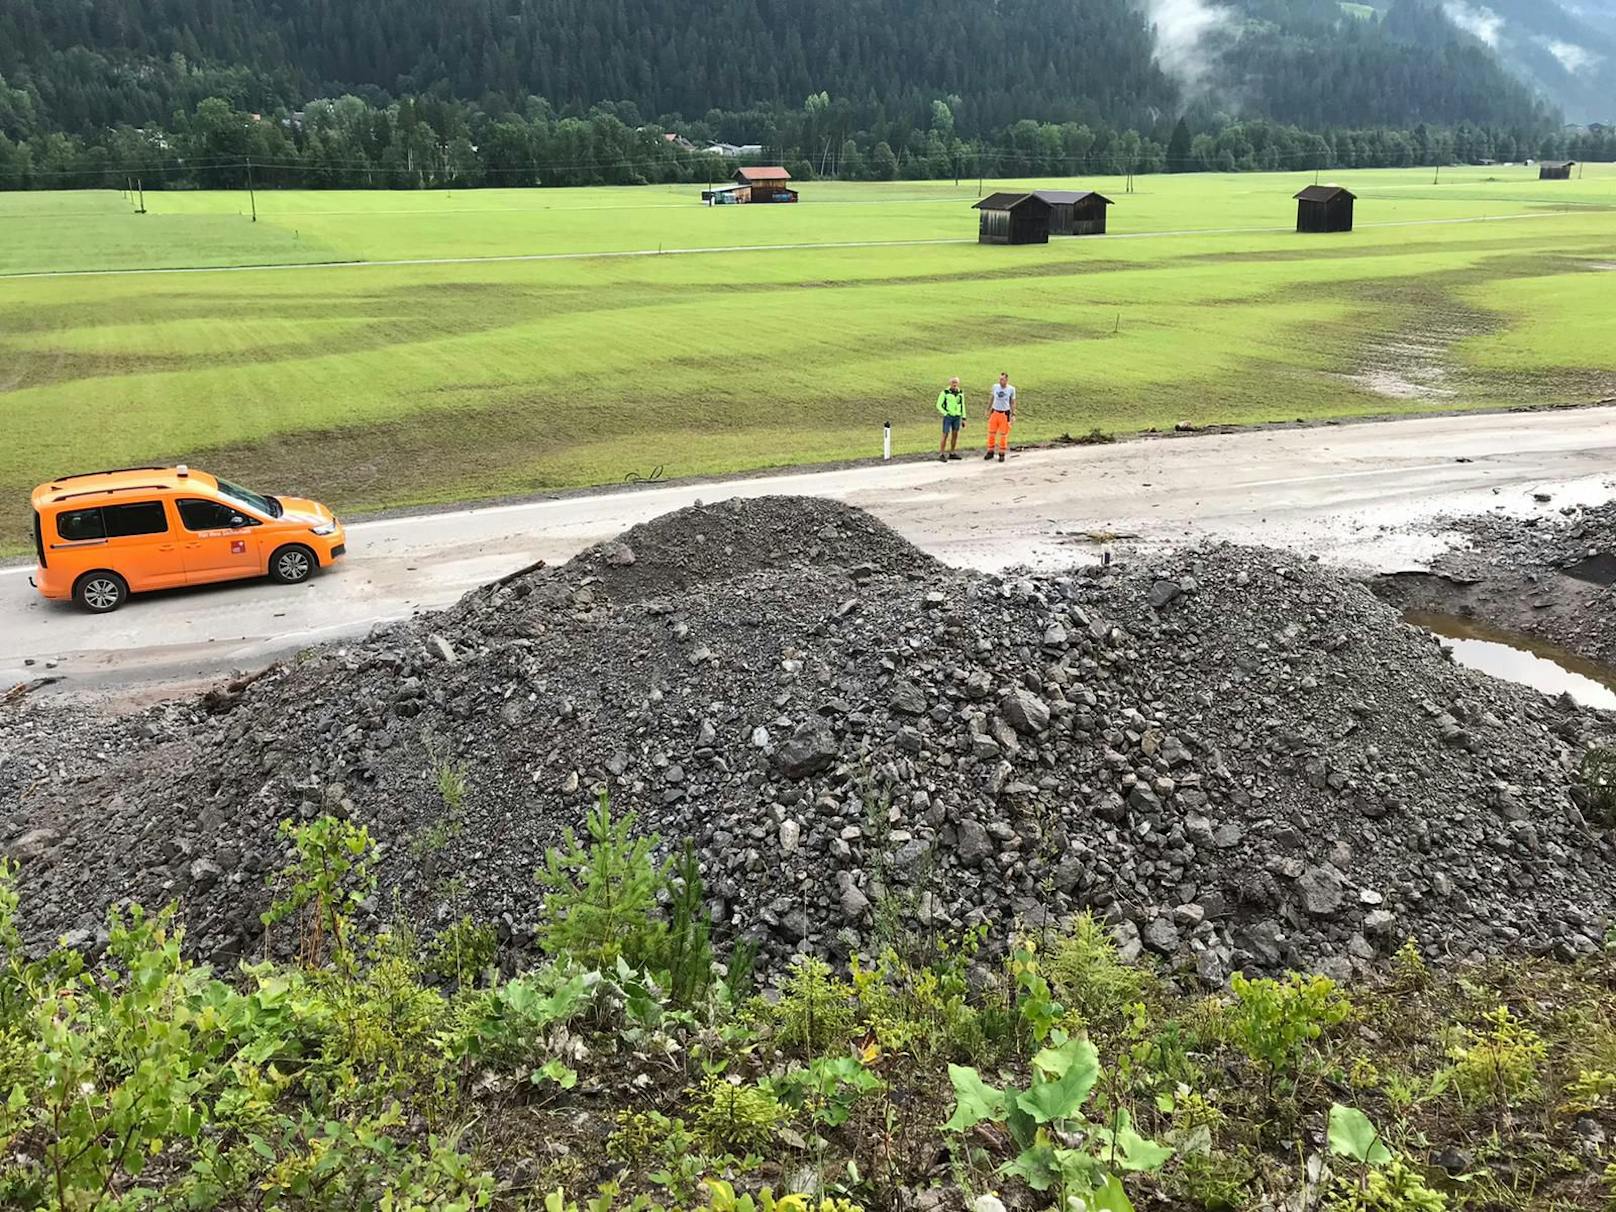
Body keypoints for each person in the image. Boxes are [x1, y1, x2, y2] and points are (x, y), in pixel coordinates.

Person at [985, 371, 1016, 462]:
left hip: (1004, 413)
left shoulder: (1011, 389)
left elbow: (1012, 402)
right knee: (991, 432)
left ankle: (1001, 453)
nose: (1000, 381)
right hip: (995, 412)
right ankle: (990, 451)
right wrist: (988, 409)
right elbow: (992, 398)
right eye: (1000, 379)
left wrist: (1013, 414)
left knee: (1003, 434)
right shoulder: (995, 387)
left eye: (1002, 379)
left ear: (1006, 380)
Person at [936, 376, 966, 461]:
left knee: (955, 434)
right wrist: (946, 413)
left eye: (956, 382)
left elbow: (962, 405)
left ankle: (952, 452)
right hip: (949, 416)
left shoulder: (960, 393)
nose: (954, 384)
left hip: (957, 416)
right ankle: (941, 453)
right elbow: (938, 405)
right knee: (945, 434)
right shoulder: (945, 392)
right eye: (953, 382)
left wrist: (964, 417)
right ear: (950, 383)